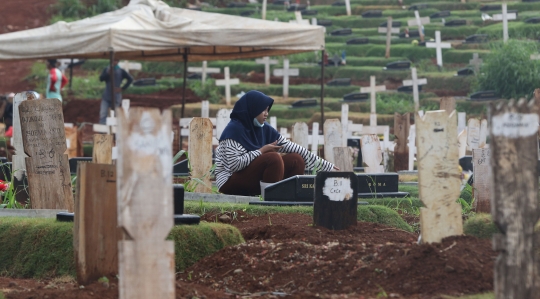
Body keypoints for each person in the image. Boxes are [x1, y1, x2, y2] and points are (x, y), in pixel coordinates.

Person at [215, 90, 338, 196]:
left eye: (267, 110)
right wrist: (261, 151)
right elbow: (234, 165)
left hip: (250, 177)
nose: (266, 114)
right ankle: (271, 199)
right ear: (253, 109)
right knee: (273, 158)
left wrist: (326, 167)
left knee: (296, 159)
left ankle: (288, 199)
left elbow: (291, 146)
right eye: (262, 110)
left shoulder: (264, 128)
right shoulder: (234, 130)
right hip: (230, 180)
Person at [99, 59, 133, 124]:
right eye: (113, 60)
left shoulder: (121, 71)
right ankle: (102, 130)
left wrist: (122, 88)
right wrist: (107, 74)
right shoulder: (107, 69)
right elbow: (101, 79)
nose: (114, 62)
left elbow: (130, 79)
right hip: (106, 95)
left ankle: (114, 131)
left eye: (115, 60)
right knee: (103, 113)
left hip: (116, 96)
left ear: (118, 61)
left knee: (114, 114)